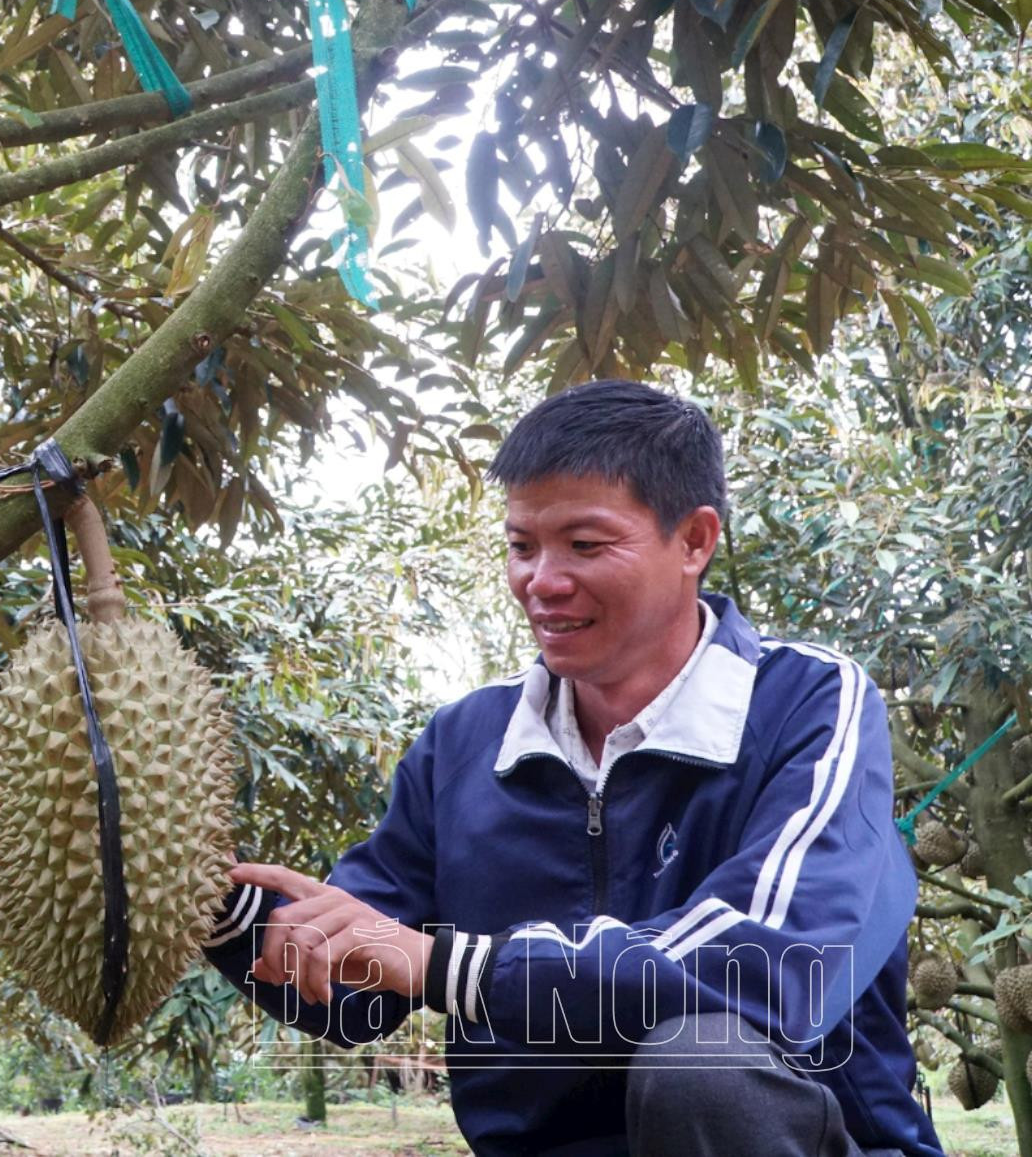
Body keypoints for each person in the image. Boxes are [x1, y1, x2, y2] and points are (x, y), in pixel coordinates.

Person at [203, 381, 943, 1157]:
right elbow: (350, 979)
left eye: (585, 545)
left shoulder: (809, 702)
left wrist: (453, 968)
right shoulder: (465, 744)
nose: (542, 582)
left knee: (703, 1063)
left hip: (792, 1135)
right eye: (522, 547)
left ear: (695, 540)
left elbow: (766, 965)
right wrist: (202, 898)